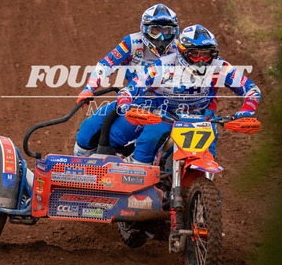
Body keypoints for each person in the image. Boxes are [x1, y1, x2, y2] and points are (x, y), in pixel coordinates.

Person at [110, 24, 261, 164]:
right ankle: (138, 169)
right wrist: (126, 104)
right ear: (183, 52)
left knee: (209, 155)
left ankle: (202, 179)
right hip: (166, 115)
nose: (201, 60)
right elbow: (130, 88)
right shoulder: (163, 65)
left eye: (207, 54)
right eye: (195, 54)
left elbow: (252, 90)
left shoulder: (219, 67)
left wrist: (246, 112)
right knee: (149, 141)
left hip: (202, 119)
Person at [74, 4, 179, 156]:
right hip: (131, 100)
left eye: (167, 30)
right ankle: (80, 166)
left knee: (115, 136)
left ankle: (130, 160)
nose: (161, 37)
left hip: (164, 106)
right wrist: (89, 88)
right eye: (156, 30)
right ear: (145, 29)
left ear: (174, 31)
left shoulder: (180, 50)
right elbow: (106, 64)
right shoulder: (133, 43)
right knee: (87, 132)